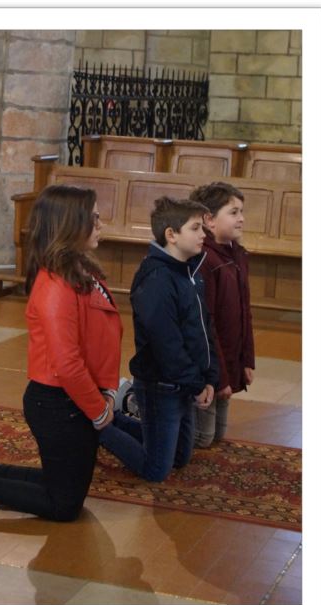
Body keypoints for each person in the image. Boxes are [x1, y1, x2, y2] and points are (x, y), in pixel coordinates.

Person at [0, 184, 123, 521]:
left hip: (74, 398)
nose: (100, 224)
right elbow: (66, 363)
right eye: (93, 218)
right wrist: (99, 410)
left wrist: (107, 391)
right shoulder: (57, 285)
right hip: (58, 403)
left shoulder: (78, 269)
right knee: (64, 506)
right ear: (69, 224)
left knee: (62, 487)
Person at [99, 196, 219, 482]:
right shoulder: (156, 279)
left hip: (183, 382)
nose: (203, 234)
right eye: (195, 228)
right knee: (156, 470)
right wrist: (196, 384)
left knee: (180, 458)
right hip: (160, 385)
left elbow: (205, 328)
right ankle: (96, 428)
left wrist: (210, 377)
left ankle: (116, 421)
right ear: (171, 235)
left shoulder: (189, 271)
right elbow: (167, 345)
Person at [189, 181, 255, 448]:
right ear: (209, 220)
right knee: (202, 438)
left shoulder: (237, 255)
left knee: (217, 436)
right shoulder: (205, 260)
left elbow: (245, 311)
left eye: (242, 212)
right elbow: (207, 323)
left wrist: (247, 360)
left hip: (229, 359)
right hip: (211, 365)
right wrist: (220, 378)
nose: (241, 219)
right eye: (233, 212)